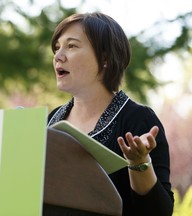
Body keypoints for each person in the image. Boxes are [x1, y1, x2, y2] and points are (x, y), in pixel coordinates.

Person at [43, 12, 174, 216]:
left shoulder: (139, 120)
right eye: (57, 47)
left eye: (72, 46)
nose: (58, 56)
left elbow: (159, 212)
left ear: (105, 58)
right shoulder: (49, 121)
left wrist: (139, 163)